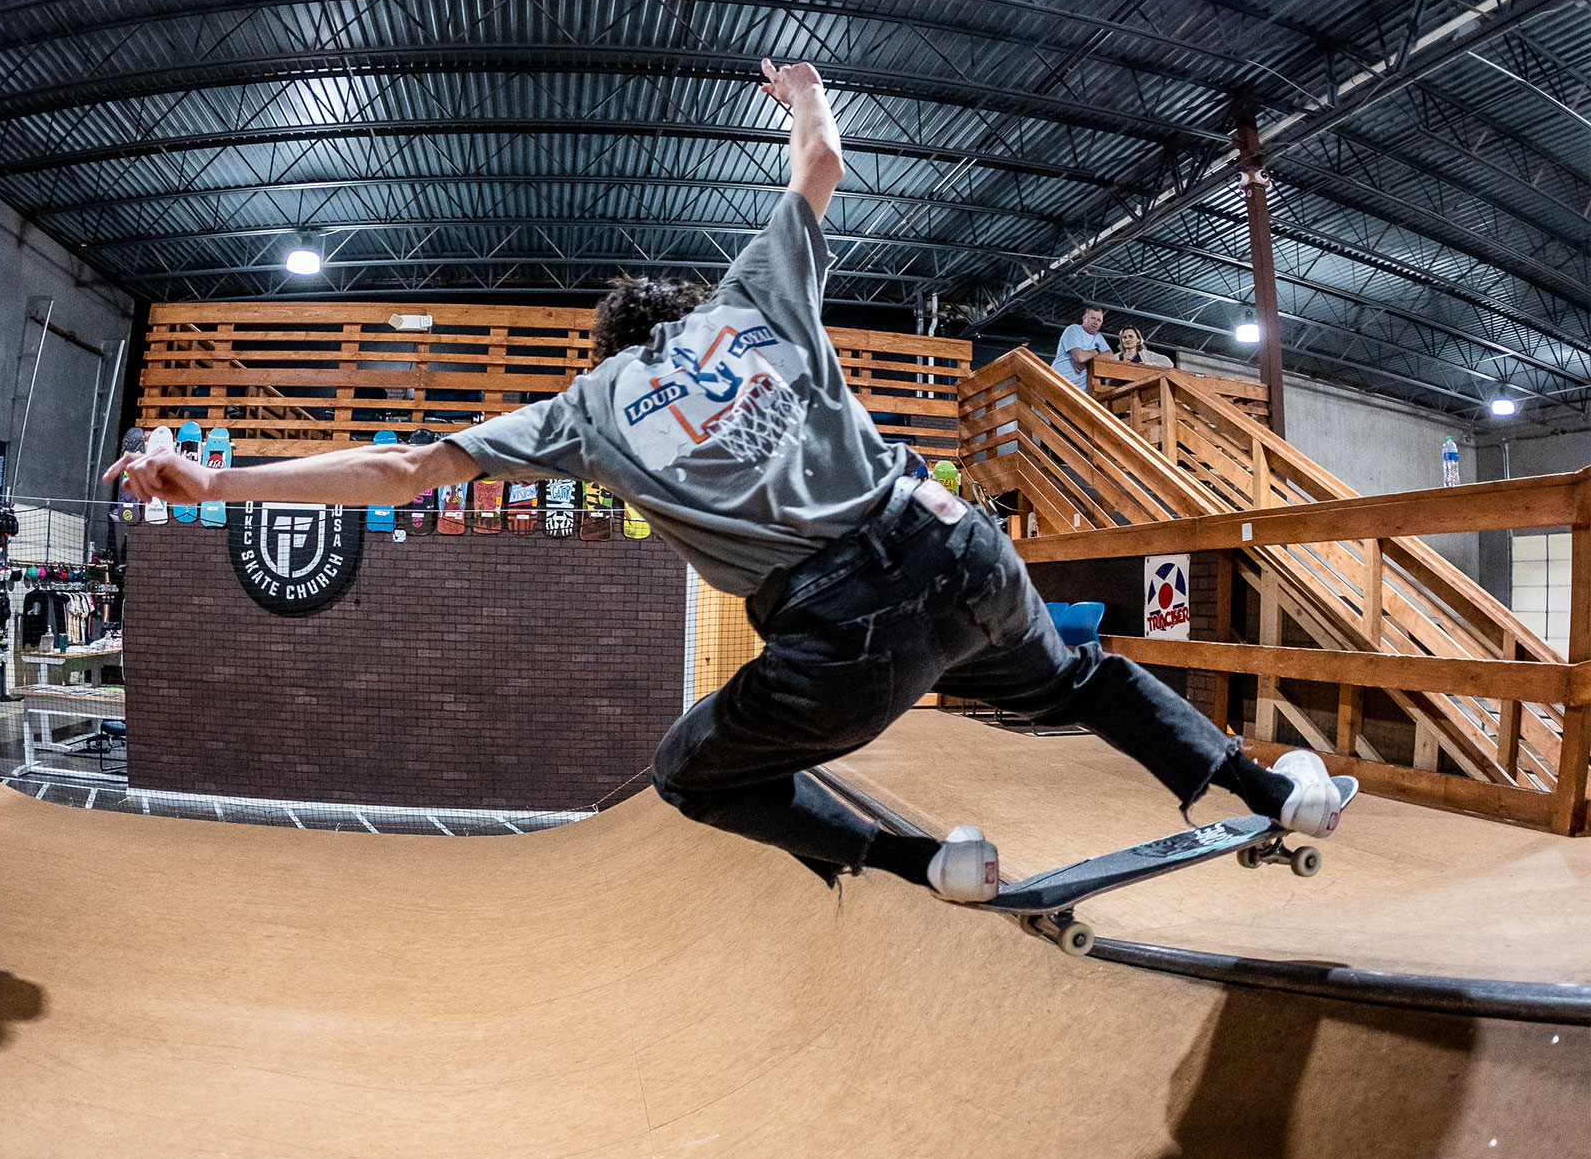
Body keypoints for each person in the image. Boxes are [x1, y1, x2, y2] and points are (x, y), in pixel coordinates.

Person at [109, 57, 1348, 903]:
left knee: (695, 770)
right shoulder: (756, 290)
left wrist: (214, 487)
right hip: (960, 545)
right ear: (687, 310)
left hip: (839, 640)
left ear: (604, 347)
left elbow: (403, 465)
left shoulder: (586, 408)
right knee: (1083, 678)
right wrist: (804, 94)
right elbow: (825, 164)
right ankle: (1262, 790)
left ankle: (925, 866)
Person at [1052, 305, 1109, 390]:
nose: (1095, 322)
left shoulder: (1099, 337)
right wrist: (1096, 351)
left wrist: (1087, 361)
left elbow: (1110, 356)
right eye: (1092, 318)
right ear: (1084, 318)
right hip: (1059, 383)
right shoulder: (1074, 329)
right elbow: (1080, 357)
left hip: (1080, 390)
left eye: (1099, 320)